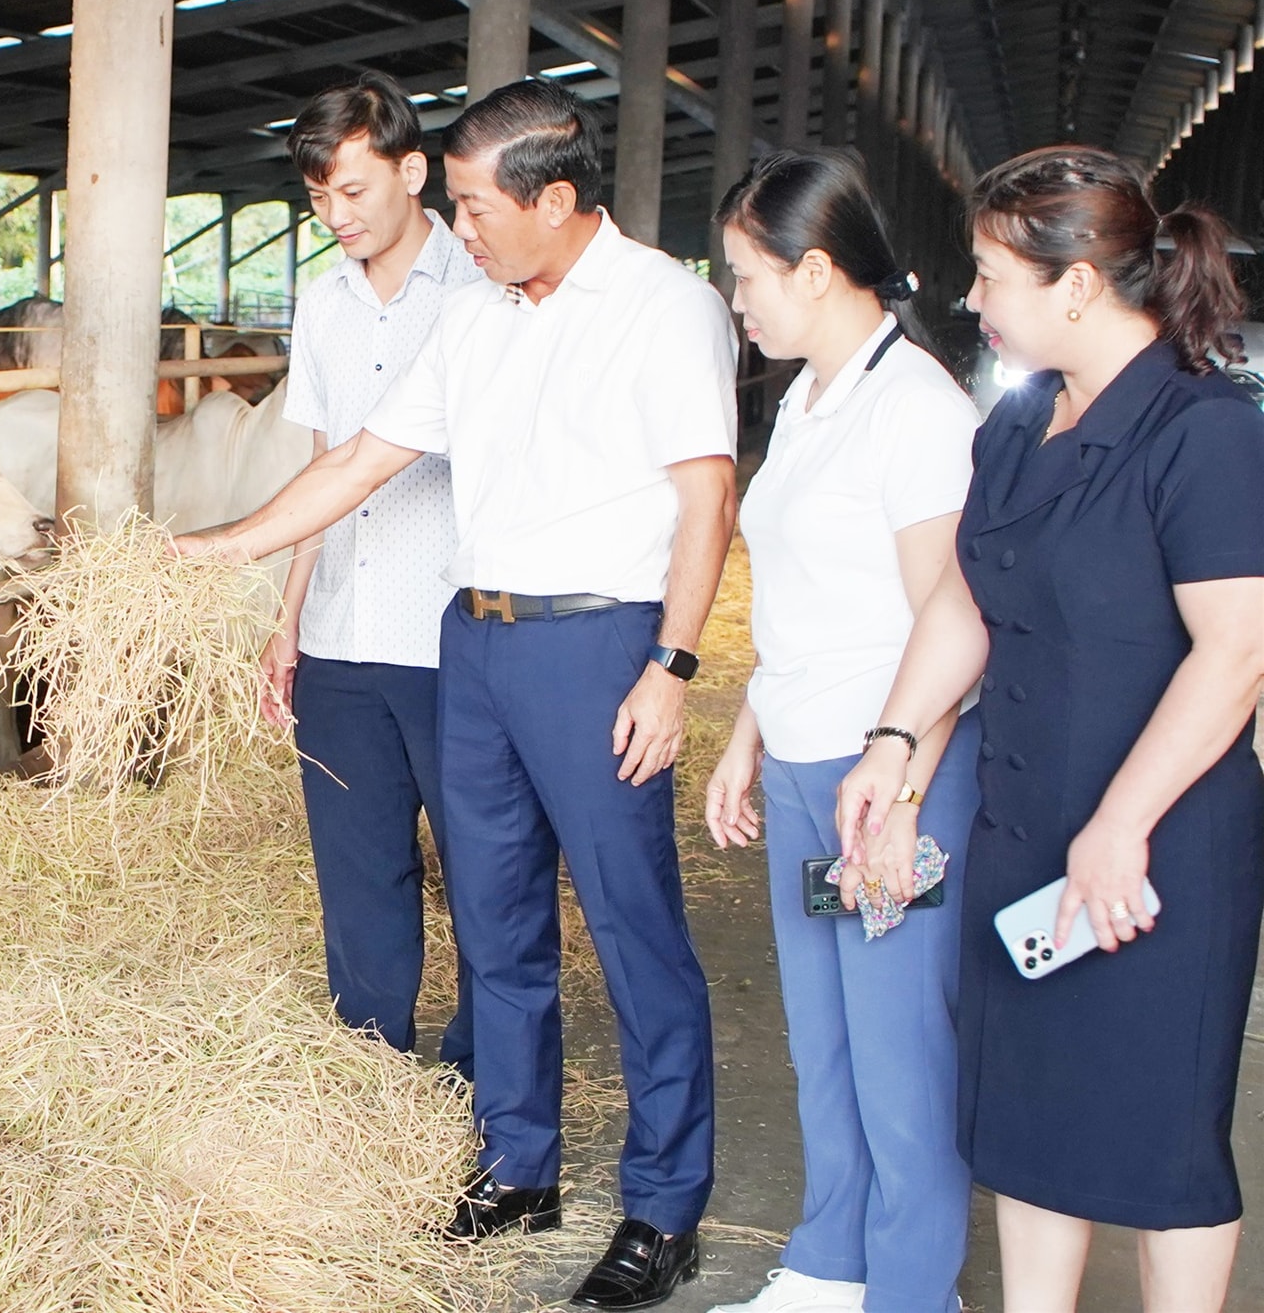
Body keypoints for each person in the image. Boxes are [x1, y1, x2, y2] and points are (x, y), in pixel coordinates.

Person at [178, 78, 738, 1311]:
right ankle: (519, 1163)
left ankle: (662, 1208)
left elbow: (707, 495)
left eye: (480, 207)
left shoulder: (665, 306)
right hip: (472, 639)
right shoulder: (476, 319)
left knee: (636, 930)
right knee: (496, 925)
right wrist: (217, 551)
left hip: (599, 646)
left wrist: (674, 665)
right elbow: (366, 459)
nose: (465, 230)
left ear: (553, 197)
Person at [837, 145, 1264, 1313]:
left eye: (989, 275)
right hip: (1027, 818)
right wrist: (895, 740)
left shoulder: (1203, 431)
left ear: (1074, 284)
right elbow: (967, 599)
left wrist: (1121, 826)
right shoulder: (1018, 426)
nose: (972, 299)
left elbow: (1237, 652)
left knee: (1161, 1140)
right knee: (1025, 1121)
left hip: (1160, 841)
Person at [702, 149, 980, 1313]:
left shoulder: (915, 407)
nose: (737, 299)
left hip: (889, 776)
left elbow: (951, 614)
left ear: (814, 269)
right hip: (812, 764)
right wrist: (747, 731)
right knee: (827, 1036)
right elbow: (806, 599)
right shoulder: (812, 398)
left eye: (746, 274)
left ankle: (915, 1289)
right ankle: (830, 1260)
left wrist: (900, 773)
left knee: (902, 1049)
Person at [262, 72, 483, 1077]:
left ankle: (484, 1073)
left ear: (412, 169)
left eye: (352, 191)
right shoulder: (323, 305)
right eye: (319, 199)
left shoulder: (483, 293)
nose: (336, 216)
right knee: (357, 873)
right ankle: (371, 1072)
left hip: (454, 632)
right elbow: (324, 466)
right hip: (344, 636)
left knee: (484, 868)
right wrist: (287, 618)